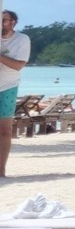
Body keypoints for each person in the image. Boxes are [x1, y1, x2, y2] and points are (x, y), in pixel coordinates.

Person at [0, 11, 30, 178]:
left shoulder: (22, 40)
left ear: (13, 22)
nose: (1, 23)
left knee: (5, 130)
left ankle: (1, 169)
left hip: (8, 87)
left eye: (3, 20)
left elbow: (18, 65)